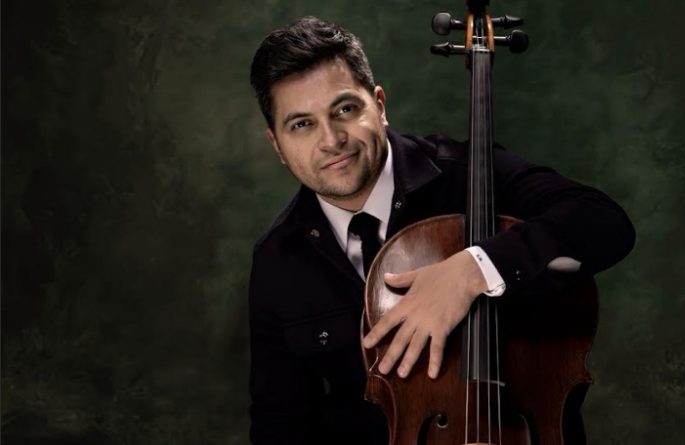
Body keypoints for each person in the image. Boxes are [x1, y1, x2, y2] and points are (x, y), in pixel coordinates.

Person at [247, 16, 635, 445]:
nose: (331, 140)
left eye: (345, 109)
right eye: (301, 124)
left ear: (379, 104)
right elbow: (279, 425)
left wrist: (473, 270)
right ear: (276, 144)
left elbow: (603, 221)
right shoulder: (278, 260)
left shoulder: (466, 174)